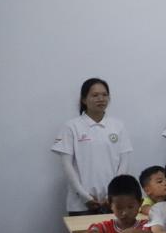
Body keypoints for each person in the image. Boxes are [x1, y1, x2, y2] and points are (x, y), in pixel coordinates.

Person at [52, 78, 132, 214]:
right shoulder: (71, 126)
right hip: (80, 204)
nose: (101, 99)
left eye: (105, 95)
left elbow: (124, 163)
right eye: (95, 95)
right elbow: (67, 166)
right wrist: (84, 196)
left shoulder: (118, 126)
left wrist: (112, 194)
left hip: (112, 203)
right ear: (84, 100)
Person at [74, 175, 151, 233]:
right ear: (110, 205)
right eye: (119, 208)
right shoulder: (105, 227)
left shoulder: (145, 225)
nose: (124, 213)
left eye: (130, 207)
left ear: (140, 203)